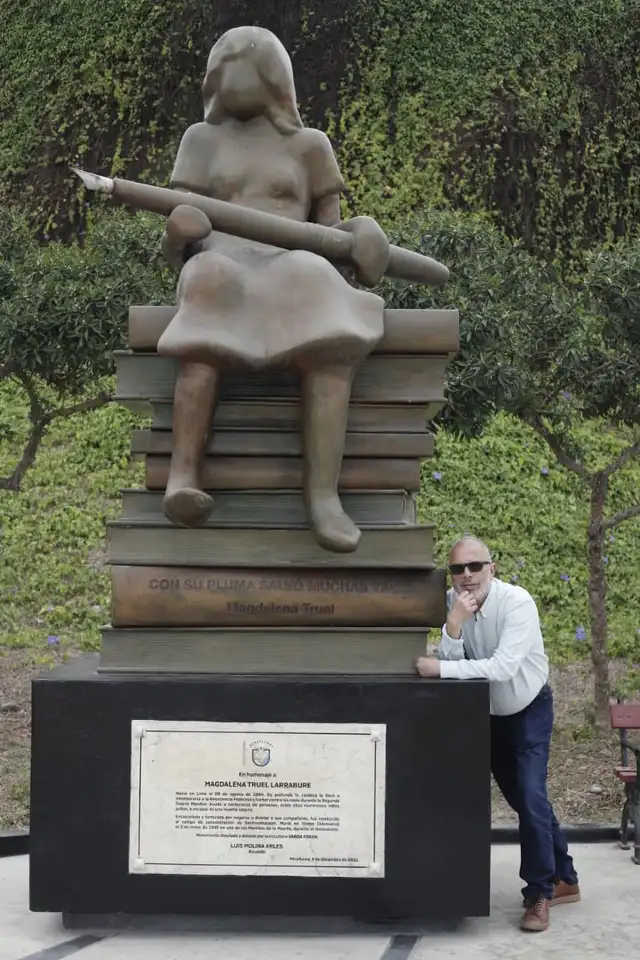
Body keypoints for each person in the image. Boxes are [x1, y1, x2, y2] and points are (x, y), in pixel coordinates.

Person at [157, 25, 386, 552]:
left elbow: (334, 233)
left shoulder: (309, 146)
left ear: (276, 77)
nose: (236, 67)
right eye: (227, 58)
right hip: (222, 264)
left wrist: (361, 237)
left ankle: (323, 496)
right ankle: (184, 476)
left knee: (328, 319)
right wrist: (179, 234)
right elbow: (176, 238)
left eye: (248, 59)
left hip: (292, 267)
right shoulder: (200, 140)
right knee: (207, 287)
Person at [415, 535, 580, 933]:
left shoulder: (517, 603)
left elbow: (503, 667)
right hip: (488, 714)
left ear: (493, 568)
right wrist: (453, 627)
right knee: (527, 801)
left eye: (475, 566)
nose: (467, 575)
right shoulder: (457, 607)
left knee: (530, 794)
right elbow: (458, 663)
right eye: (457, 569)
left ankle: (539, 892)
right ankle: (567, 878)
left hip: (528, 710)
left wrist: (440, 668)